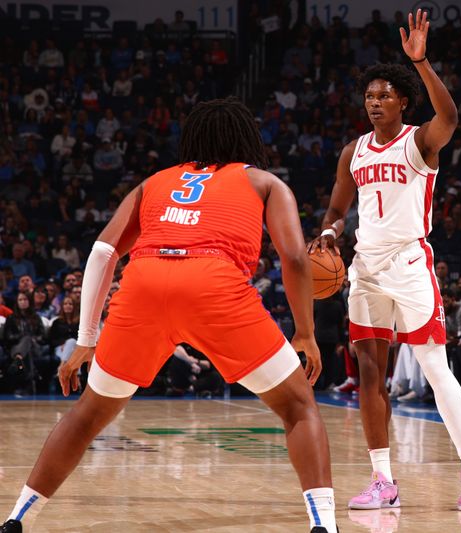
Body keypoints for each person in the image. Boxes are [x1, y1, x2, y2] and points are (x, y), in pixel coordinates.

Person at [2, 97, 337, 533]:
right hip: (214, 284)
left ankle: (16, 519)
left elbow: (103, 252)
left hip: (143, 281)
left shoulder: (154, 181)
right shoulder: (265, 183)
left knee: (87, 415)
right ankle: (324, 526)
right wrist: (306, 333)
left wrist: (87, 340)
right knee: (298, 407)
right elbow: (294, 258)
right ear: (246, 140)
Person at [308, 10, 461, 512]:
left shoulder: (420, 140)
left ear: (403, 101)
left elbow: (450, 118)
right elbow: (337, 209)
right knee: (370, 371)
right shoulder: (354, 152)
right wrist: (328, 234)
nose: (374, 102)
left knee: (434, 366)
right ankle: (382, 480)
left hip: (411, 264)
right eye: (369, 96)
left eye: (384, 95)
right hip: (366, 269)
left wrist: (422, 62)